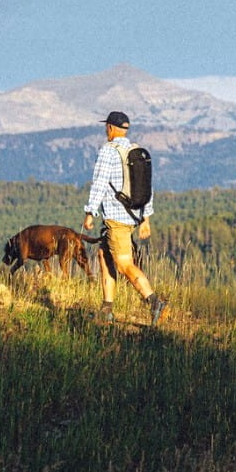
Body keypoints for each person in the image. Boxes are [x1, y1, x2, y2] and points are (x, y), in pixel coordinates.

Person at [82, 111, 168, 326]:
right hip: (132, 215)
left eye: (106, 128)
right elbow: (147, 187)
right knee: (104, 255)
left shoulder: (108, 152)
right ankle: (107, 309)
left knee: (123, 264)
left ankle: (155, 302)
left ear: (110, 128)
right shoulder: (135, 151)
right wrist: (146, 218)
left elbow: (100, 184)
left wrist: (90, 212)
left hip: (116, 218)